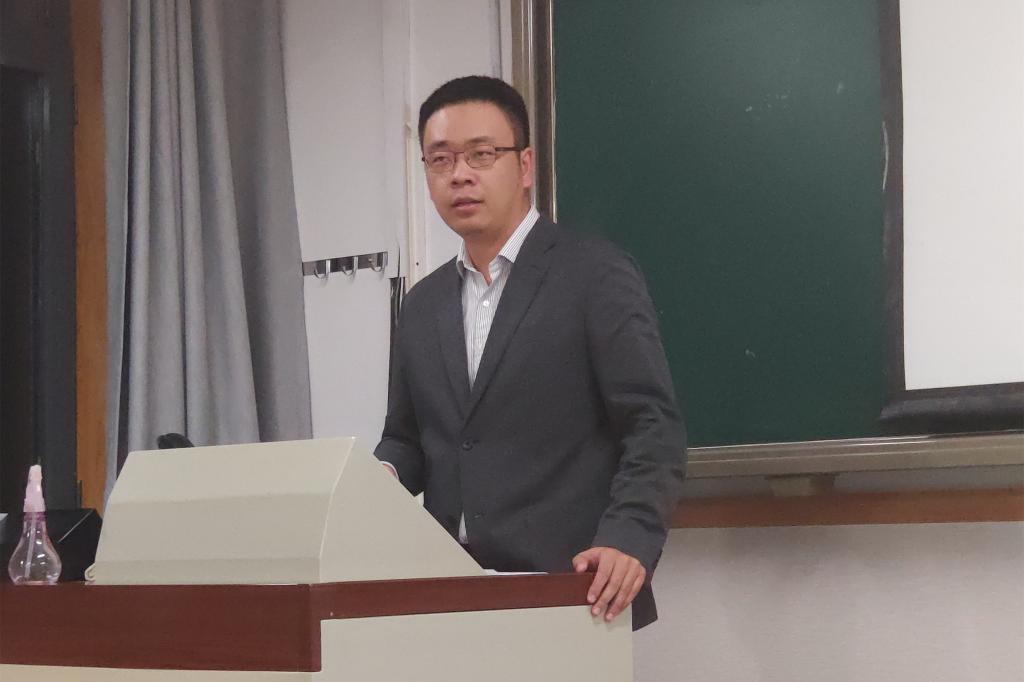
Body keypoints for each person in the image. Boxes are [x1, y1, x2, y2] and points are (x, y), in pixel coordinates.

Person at [375, 75, 686, 630]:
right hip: (449, 594)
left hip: (573, 589)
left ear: (524, 166)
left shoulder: (594, 274)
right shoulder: (421, 305)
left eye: (481, 154)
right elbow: (408, 438)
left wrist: (629, 538)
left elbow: (652, 424)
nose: (460, 174)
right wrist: (381, 475)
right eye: (440, 160)